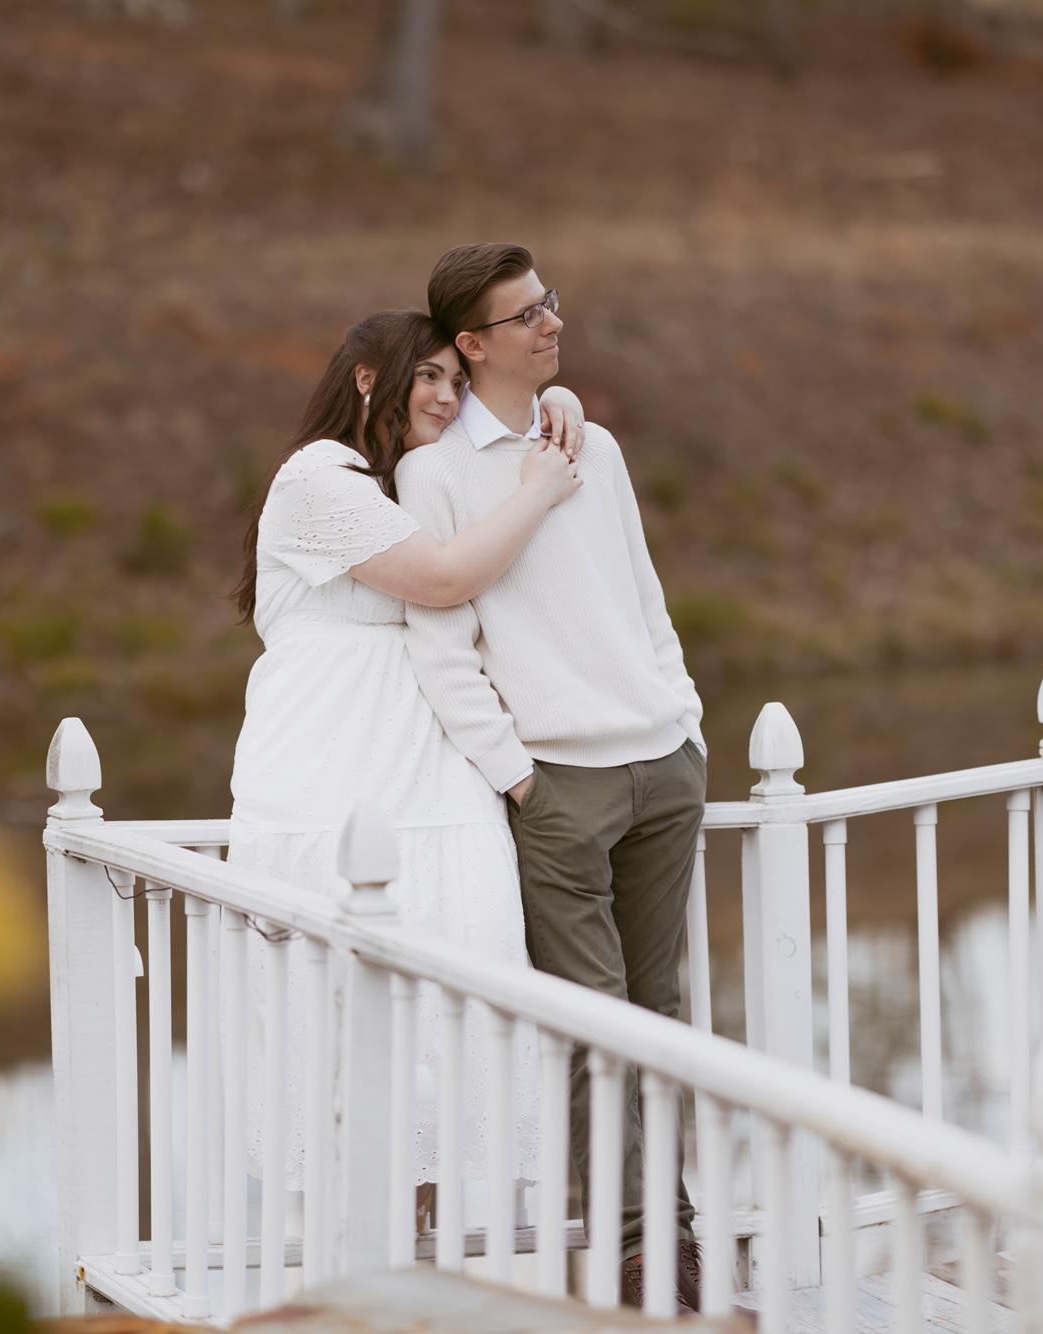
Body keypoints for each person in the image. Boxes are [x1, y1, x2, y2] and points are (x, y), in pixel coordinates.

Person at [394, 246, 707, 1313]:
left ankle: (679, 1229)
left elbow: (642, 589)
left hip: (661, 764)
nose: (550, 326)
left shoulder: (593, 445)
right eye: (524, 316)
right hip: (561, 788)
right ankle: (635, 1249)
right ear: (469, 344)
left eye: (551, 305)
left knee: (658, 1010)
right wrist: (520, 778)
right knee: (596, 1019)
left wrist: (682, 715)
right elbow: (441, 646)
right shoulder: (430, 476)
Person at [226, 308, 584, 1199]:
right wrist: (540, 489)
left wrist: (557, 397)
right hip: (330, 780)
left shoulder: (413, 489)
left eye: (454, 382)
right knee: (342, 1026)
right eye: (425, 376)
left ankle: (450, 1248)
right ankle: (349, 1260)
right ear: (365, 379)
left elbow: (499, 446)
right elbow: (445, 579)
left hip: (433, 785)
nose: (445, 395)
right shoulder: (317, 481)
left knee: (457, 1016)